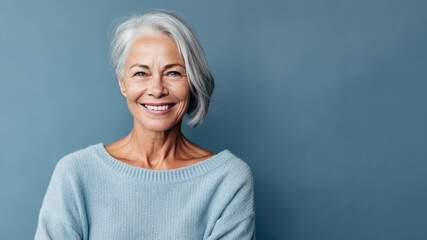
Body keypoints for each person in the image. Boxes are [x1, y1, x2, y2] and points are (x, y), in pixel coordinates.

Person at [35, 10, 255, 240]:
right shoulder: (75, 174)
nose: (157, 89)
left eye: (173, 73)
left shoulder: (228, 179)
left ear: (192, 81)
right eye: (141, 73)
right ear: (122, 83)